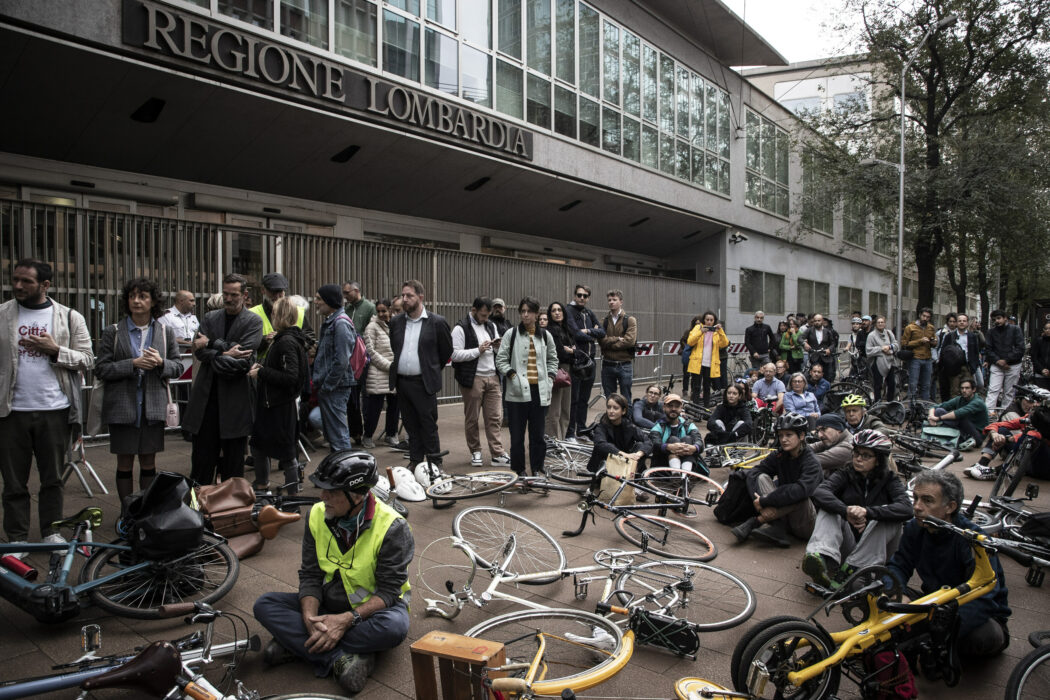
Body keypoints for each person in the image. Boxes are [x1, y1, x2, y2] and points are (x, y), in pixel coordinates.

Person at [253, 451, 412, 694]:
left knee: (394, 628)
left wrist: (347, 620)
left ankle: (296, 645)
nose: (322, 496)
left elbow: (390, 592)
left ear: (357, 495)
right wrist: (309, 618)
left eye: (332, 491)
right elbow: (310, 575)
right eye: (322, 488)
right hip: (327, 603)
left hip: (373, 612)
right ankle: (339, 658)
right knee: (264, 605)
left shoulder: (393, 526)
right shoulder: (317, 514)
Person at [0, 259, 93, 552]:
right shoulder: (2, 315)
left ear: (45, 285)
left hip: (55, 409)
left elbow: (88, 359)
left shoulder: (68, 317)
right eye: (15, 279)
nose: (17, 285)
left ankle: (51, 531)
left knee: (52, 478)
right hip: (11, 411)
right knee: (14, 482)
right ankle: (16, 537)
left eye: (26, 281)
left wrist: (55, 351)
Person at [886, 470, 1011, 659]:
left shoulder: (972, 540)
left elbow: (986, 598)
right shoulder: (915, 527)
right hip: (936, 603)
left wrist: (939, 626)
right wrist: (898, 593)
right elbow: (899, 565)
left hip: (976, 612)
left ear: (950, 507)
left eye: (927, 501)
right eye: (916, 498)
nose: (917, 507)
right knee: (873, 593)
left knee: (982, 637)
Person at [94, 278, 183, 501]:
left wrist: (161, 362)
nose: (136, 301)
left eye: (142, 296)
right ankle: (126, 510)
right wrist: (132, 364)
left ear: (153, 301)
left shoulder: (165, 332)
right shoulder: (112, 332)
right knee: (124, 461)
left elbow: (178, 366)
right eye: (132, 296)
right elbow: (101, 369)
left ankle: (146, 509)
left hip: (153, 407)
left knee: (148, 461)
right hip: (122, 407)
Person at [803, 429, 911, 588]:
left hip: (877, 552)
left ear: (878, 460)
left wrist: (868, 513)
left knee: (890, 516)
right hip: (851, 543)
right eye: (856, 453)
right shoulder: (846, 473)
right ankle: (820, 557)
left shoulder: (890, 480)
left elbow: (907, 509)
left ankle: (853, 571)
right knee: (828, 508)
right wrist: (847, 511)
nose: (858, 459)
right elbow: (820, 492)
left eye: (866, 455)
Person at [185, 273, 262, 485]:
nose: (228, 299)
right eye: (225, 294)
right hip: (206, 403)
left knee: (233, 469)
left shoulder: (253, 321)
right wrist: (224, 353)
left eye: (234, 295)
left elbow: (242, 364)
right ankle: (197, 511)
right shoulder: (210, 318)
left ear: (245, 295)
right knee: (201, 465)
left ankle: (231, 514)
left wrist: (212, 346)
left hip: (235, 403)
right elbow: (198, 352)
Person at [731, 413, 821, 547]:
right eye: (780, 435)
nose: (784, 439)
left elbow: (799, 491)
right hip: (782, 515)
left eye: (789, 435)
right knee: (761, 477)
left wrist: (766, 500)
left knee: (800, 495)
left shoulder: (811, 462)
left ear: (801, 436)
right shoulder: (780, 454)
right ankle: (777, 527)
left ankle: (757, 521)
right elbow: (755, 472)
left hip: (805, 523)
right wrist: (760, 502)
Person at [247, 297, 309, 491]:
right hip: (275, 404)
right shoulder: (286, 339)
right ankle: (265, 484)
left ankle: (289, 494)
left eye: (273, 313)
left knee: (286, 453)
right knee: (261, 447)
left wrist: (262, 372)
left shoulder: (286, 342)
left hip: (278, 405)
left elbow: (291, 376)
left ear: (279, 315)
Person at [388, 280, 453, 465]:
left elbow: (446, 352)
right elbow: (396, 347)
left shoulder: (437, 322)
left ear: (421, 298)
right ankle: (415, 462)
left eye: (409, 296)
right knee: (410, 425)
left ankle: (434, 464)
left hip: (423, 383)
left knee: (428, 425)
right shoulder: (396, 322)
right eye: (403, 295)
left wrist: (429, 368)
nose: (405, 299)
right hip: (402, 382)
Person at [495, 297, 559, 476]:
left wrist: (551, 377)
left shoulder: (545, 335)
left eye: (529, 311)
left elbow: (553, 359)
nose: (525, 315)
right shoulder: (511, 334)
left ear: (537, 313)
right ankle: (519, 470)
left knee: (538, 436)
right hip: (517, 392)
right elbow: (500, 360)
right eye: (522, 311)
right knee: (517, 437)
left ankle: (537, 468)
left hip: (539, 391)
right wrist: (512, 375)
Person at [452, 297, 510, 468]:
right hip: (472, 378)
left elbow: (500, 350)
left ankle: (497, 453)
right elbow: (455, 355)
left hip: (493, 376)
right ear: (473, 310)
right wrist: (478, 350)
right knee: (472, 418)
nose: (486, 319)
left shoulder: (491, 326)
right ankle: (475, 451)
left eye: (488, 315)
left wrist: (498, 346)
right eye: (483, 315)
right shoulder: (460, 328)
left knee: (494, 417)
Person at [965, 387, 1050, 481]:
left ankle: (995, 472)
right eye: (1031, 401)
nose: (1033, 405)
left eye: (1037, 402)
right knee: (1002, 430)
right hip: (1029, 463)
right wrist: (995, 434)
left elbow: (1034, 435)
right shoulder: (1029, 417)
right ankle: (981, 464)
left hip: (1044, 468)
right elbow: (997, 425)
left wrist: (1007, 439)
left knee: (1035, 439)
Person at [313, 285, 357, 452]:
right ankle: (340, 468)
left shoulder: (340, 324)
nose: (316, 303)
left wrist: (328, 385)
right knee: (334, 434)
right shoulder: (333, 321)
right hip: (331, 387)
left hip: (335, 387)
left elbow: (342, 360)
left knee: (338, 435)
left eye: (319, 299)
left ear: (329, 301)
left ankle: (346, 469)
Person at [565, 284, 605, 439]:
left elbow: (602, 332)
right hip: (576, 362)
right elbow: (575, 333)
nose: (582, 298)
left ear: (588, 298)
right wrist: (592, 335)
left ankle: (581, 430)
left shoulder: (588, 312)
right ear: (575, 295)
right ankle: (570, 433)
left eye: (585, 296)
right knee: (573, 400)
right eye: (579, 295)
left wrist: (588, 331)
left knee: (584, 399)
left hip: (590, 361)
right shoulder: (568, 311)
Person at [362, 299, 399, 450]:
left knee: (394, 405)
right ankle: (368, 435)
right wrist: (390, 366)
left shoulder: (396, 325)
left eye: (384, 310)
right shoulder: (371, 327)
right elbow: (370, 351)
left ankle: (391, 434)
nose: (381, 314)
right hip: (378, 372)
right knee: (374, 407)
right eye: (379, 311)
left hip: (394, 372)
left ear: (390, 310)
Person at [342, 282, 376, 446]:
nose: (345, 296)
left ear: (357, 291)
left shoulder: (369, 307)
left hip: (365, 358)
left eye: (347, 293)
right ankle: (355, 432)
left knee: (366, 395)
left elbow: (374, 330)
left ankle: (368, 432)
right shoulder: (347, 310)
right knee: (352, 397)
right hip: (350, 358)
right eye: (344, 293)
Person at [251, 273, 314, 360]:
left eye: (280, 292)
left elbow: (310, 337)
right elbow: (248, 345)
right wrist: (265, 341)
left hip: (291, 363)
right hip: (264, 367)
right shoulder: (253, 313)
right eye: (272, 292)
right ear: (263, 290)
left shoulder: (298, 311)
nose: (277, 296)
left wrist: (292, 344)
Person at [585, 393, 652, 473]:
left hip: (624, 462)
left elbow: (648, 441)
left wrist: (639, 454)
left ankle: (632, 474)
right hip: (606, 462)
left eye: (615, 408)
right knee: (601, 447)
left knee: (640, 445)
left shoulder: (628, 425)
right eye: (609, 407)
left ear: (623, 411)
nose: (611, 411)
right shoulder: (602, 425)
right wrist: (623, 454)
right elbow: (600, 443)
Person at [927, 379, 989, 451]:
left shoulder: (978, 402)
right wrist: (931, 417)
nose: (964, 390)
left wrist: (938, 419)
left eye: (967, 388)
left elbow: (958, 413)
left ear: (974, 389)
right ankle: (946, 437)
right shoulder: (959, 399)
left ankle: (957, 439)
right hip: (963, 429)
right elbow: (935, 407)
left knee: (960, 417)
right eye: (962, 388)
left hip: (977, 436)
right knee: (939, 410)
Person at [598, 289, 637, 401]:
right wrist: (616, 339)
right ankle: (611, 419)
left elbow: (629, 341)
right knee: (610, 399)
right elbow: (601, 341)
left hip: (624, 364)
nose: (611, 302)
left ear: (621, 302)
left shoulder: (630, 320)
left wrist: (610, 345)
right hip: (607, 364)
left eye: (614, 299)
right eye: (609, 300)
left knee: (626, 398)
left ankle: (627, 419)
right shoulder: (603, 321)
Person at [649, 393, 703, 473]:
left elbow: (699, 442)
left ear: (681, 408)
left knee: (687, 439)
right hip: (663, 466)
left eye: (677, 406)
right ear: (664, 407)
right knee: (673, 439)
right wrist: (669, 447)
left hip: (687, 458)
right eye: (670, 406)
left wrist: (694, 448)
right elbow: (654, 444)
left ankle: (685, 474)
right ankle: (676, 475)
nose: (673, 409)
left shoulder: (689, 425)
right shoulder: (658, 426)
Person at [544, 302, 575, 439]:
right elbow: (558, 352)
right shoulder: (549, 330)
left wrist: (570, 351)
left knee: (565, 409)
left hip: (567, 369)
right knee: (554, 410)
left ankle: (562, 440)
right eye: (553, 310)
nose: (557, 313)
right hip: (555, 369)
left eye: (559, 310)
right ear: (550, 314)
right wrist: (568, 350)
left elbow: (575, 349)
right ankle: (553, 441)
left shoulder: (566, 329)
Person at [985, 309, 1026, 413]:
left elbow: (1020, 348)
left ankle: (1004, 414)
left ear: (1005, 318)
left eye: (999, 318)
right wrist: (999, 361)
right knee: (993, 389)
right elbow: (988, 349)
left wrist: (1006, 360)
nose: (997, 321)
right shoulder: (991, 332)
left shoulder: (1015, 329)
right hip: (997, 364)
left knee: (1009, 392)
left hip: (1012, 365)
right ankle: (988, 414)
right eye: (994, 320)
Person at [686, 311, 729, 406]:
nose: (709, 322)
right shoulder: (698, 328)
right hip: (697, 362)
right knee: (696, 386)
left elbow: (724, 343)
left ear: (714, 321)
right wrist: (701, 332)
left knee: (707, 387)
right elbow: (690, 342)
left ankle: (706, 407)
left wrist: (720, 330)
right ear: (704, 320)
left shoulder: (717, 331)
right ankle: (696, 406)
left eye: (711, 320)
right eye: (707, 320)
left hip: (710, 363)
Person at [938, 312, 981, 399]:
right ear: (957, 323)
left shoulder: (972, 336)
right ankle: (956, 410)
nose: (962, 322)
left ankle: (967, 409)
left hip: (968, 367)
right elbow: (944, 352)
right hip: (954, 368)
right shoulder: (950, 336)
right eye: (960, 321)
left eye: (964, 321)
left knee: (968, 390)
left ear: (967, 323)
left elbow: (976, 352)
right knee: (955, 390)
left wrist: (974, 366)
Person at [901, 308, 936, 400]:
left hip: (928, 358)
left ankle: (924, 407)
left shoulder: (931, 328)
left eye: (928, 317)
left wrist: (933, 342)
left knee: (927, 385)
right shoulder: (910, 327)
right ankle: (911, 406)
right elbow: (904, 344)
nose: (925, 318)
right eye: (924, 316)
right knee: (913, 384)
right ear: (920, 315)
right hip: (915, 358)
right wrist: (920, 341)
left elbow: (934, 342)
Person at [865, 315, 899, 403]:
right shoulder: (871, 336)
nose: (880, 324)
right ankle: (877, 403)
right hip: (877, 363)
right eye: (878, 322)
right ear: (875, 324)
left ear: (885, 323)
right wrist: (881, 349)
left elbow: (896, 345)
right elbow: (868, 351)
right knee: (878, 385)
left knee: (891, 384)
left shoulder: (889, 333)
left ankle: (890, 403)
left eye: (882, 322)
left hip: (890, 362)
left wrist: (889, 347)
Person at [811, 412, 854, 477]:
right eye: (818, 431)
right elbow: (809, 448)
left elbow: (811, 461)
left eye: (823, 429)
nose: (820, 435)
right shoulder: (833, 439)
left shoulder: (848, 447)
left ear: (839, 429)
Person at [801, 313, 838, 382]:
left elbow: (833, 343)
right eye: (815, 321)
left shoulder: (827, 331)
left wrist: (829, 349)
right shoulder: (809, 330)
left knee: (827, 377)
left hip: (826, 358)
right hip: (814, 357)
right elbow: (799, 338)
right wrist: (804, 343)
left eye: (819, 320)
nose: (817, 322)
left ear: (822, 321)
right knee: (814, 378)